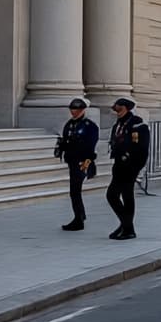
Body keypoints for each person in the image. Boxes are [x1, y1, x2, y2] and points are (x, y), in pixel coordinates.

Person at [106, 97, 150, 240]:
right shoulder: (118, 125)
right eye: (116, 110)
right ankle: (126, 225)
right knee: (112, 195)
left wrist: (136, 166)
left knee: (125, 194)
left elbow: (141, 148)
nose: (117, 112)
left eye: (120, 109)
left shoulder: (136, 124)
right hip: (119, 164)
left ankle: (128, 228)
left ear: (127, 109)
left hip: (130, 165)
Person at [56, 96, 99, 231]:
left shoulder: (89, 126)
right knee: (74, 191)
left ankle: (79, 220)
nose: (73, 111)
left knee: (75, 191)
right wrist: (61, 146)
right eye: (72, 109)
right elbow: (66, 140)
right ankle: (80, 216)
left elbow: (91, 145)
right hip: (72, 160)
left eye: (76, 109)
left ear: (83, 110)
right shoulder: (69, 124)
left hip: (82, 162)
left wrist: (88, 162)